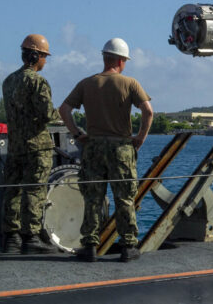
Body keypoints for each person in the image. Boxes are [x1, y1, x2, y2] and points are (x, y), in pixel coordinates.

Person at [58, 38, 154, 263]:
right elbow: (148, 112)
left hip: (93, 147)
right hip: (121, 147)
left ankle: (90, 245)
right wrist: (139, 139)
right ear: (121, 61)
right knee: (124, 197)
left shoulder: (87, 83)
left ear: (105, 58)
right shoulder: (130, 83)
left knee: (93, 197)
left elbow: (64, 110)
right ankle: (128, 246)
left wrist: (76, 133)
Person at [0, 34, 59, 255]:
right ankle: (31, 237)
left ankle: (12, 237)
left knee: (12, 191)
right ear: (36, 56)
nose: (45, 60)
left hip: (15, 146)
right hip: (37, 147)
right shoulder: (37, 81)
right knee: (34, 190)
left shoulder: (8, 81)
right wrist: (60, 113)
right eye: (44, 56)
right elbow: (47, 115)